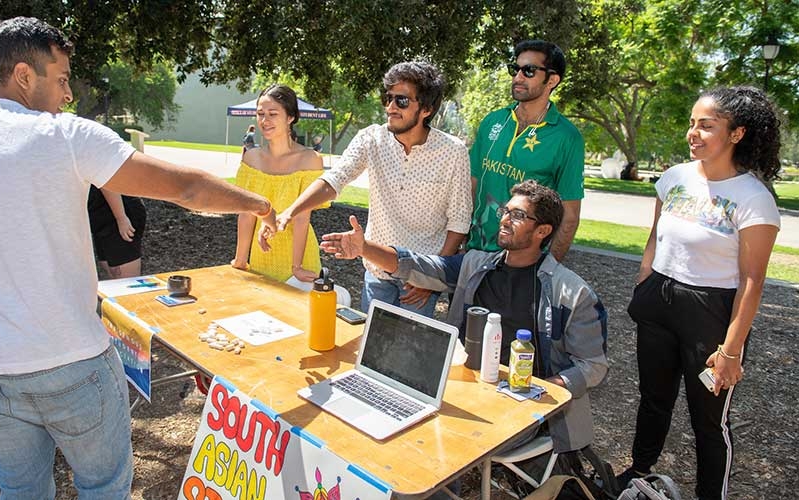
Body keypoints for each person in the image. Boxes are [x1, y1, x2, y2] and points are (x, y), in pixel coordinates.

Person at [0, 17, 275, 498]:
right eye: (60, 80)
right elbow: (184, 186)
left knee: (19, 488)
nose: (67, 95)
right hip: (73, 362)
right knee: (104, 487)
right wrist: (260, 204)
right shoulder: (66, 137)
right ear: (23, 75)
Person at [321, 180, 608, 454]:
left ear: (543, 231)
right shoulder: (476, 265)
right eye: (506, 211)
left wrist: (536, 389)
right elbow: (423, 265)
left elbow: (593, 366)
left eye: (518, 215)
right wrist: (365, 248)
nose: (505, 219)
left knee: (436, 438)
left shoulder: (572, 293)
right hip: (464, 389)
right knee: (388, 410)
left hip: (520, 407)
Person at [618, 86, 781, 500]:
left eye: (706, 126)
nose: (694, 133)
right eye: (692, 124)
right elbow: (656, 235)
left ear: (737, 134)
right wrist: (644, 281)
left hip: (712, 313)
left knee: (709, 420)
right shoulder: (674, 178)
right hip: (660, 299)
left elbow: (752, 281)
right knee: (653, 399)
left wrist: (730, 350)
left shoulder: (754, 198)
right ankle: (639, 472)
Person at [268, 61, 472, 317]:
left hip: (418, 280)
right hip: (377, 272)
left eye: (402, 101)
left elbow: (460, 222)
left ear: (427, 109)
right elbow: (335, 179)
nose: (390, 107)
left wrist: (433, 279)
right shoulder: (371, 138)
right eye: (388, 98)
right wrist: (289, 213)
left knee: (408, 354)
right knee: (371, 349)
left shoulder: (453, 151)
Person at [468, 40, 584, 261]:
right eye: (515, 69)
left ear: (552, 80)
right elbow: (471, 186)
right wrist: (459, 241)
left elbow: (569, 216)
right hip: (474, 252)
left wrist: (547, 269)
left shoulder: (567, 138)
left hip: (522, 264)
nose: (518, 77)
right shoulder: (493, 121)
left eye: (529, 70)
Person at [233, 84, 324, 283]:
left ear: (290, 117)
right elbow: (246, 214)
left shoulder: (310, 159)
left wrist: (297, 267)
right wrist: (240, 260)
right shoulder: (251, 158)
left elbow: (302, 218)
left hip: (300, 258)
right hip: (262, 255)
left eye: (272, 114)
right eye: (260, 114)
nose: (264, 121)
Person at [87, 185, 147, 278]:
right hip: (98, 215)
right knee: (114, 275)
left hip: (118, 215)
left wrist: (121, 217)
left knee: (127, 282)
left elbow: (106, 182)